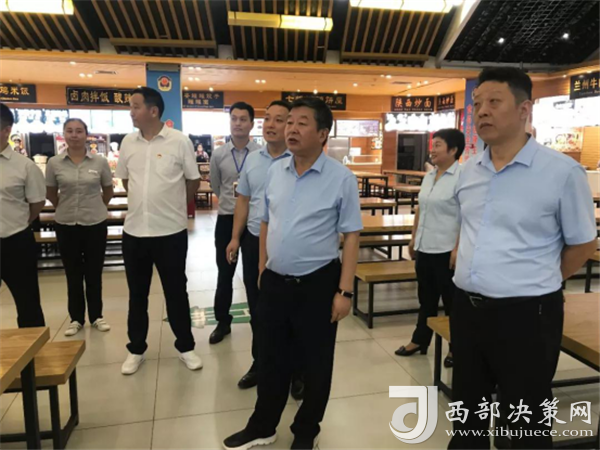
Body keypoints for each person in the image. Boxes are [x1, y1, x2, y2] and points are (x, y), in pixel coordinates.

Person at [448, 67, 597, 449]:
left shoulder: (561, 172)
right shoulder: (468, 171)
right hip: (467, 309)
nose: (482, 111)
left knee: (526, 420)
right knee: (467, 411)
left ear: (524, 109)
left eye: (494, 102)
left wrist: (539, 278)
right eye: (477, 103)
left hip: (527, 316)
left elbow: (583, 244)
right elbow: (469, 226)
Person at [223, 97, 362, 450]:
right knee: (270, 357)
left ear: (322, 133)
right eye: (290, 122)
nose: (291, 129)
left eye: (302, 123)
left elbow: (351, 236)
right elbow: (265, 221)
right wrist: (261, 267)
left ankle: (306, 430)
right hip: (274, 280)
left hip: (318, 283)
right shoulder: (276, 171)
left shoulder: (341, 178)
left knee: (316, 363)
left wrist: (344, 291)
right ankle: (263, 425)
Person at [115, 87, 202, 375]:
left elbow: (192, 180)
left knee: (176, 292)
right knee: (137, 294)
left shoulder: (179, 141)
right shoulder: (128, 142)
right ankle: (136, 349)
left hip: (170, 233)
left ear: (153, 111)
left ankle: (186, 346)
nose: (131, 112)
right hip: (135, 233)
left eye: (135, 106)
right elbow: (126, 180)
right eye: (131, 106)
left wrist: (174, 206)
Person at [225, 100, 304, 397]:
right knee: (258, 308)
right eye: (267, 118)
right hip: (254, 240)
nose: (271, 125)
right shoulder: (253, 160)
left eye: (279, 119)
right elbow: (243, 201)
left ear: (290, 125)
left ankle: (296, 371)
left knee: (290, 311)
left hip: (286, 243)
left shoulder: (298, 160)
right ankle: (261, 363)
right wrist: (235, 238)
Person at [395, 128, 464, 368]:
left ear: (453, 150)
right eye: (432, 145)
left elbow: (466, 217)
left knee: (452, 302)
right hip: (425, 247)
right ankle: (420, 340)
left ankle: (456, 346)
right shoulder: (429, 175)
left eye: (438, 145)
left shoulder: (462, 178)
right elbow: (420, 209)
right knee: (426, 298)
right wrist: (413, 238)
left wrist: (457, 249)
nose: (432, 150)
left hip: (446, 249)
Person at [46, 118, 114, 337]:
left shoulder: (99, 162)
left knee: (94, 272)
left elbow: (108, 190)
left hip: (95, 223)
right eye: (69, 131)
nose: (74, 135)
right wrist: (64, 206)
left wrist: (97, 207)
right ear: (64, 135)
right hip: (66, 224)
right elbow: (51, 192)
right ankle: (76, 318)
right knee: (73, 274)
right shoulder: (54, 163)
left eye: (78, 131)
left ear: (86, 134)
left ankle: (96, 316)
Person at [209, 102, 261, 345]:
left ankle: (259, 324)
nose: (238, 123)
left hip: (254, 221)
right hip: (227, 218)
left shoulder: (261, 153)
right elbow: (216, 185)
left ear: (251, 124)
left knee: (253, 276)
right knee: (225, 273)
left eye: (243, 119)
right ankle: (222, 321)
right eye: (234, 119)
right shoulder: (219, 154)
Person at [0, 103, 46, 327]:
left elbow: (37, 203)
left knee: (28, 304)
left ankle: (34, 349)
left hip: (15, 242)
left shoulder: (24, 166)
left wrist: (18, 221)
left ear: (6, 130)